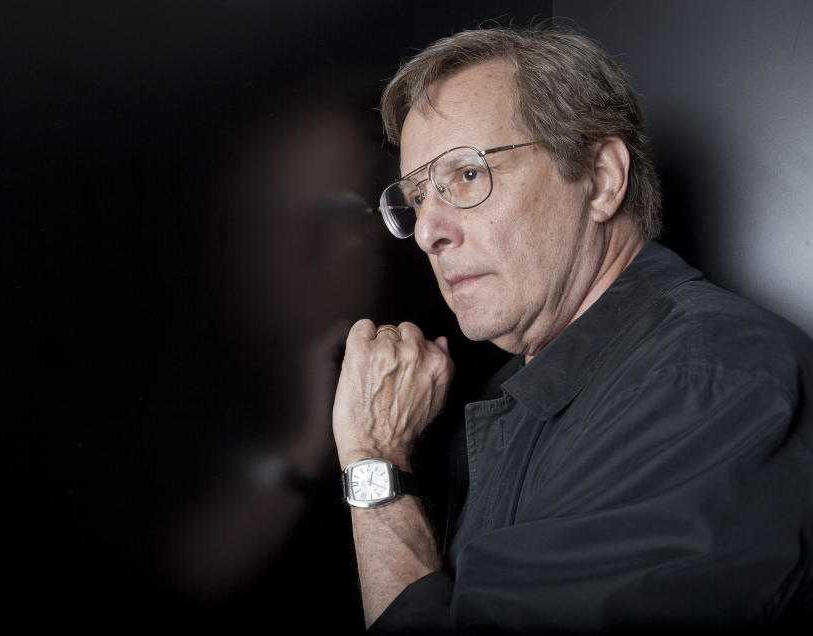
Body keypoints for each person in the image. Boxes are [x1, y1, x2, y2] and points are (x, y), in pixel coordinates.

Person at [331, 25, 813, 634]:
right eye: (417, 197)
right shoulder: (539, 390)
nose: (428, 231)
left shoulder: (709, 382)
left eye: (468, 175)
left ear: (602, 178)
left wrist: (374, 460)